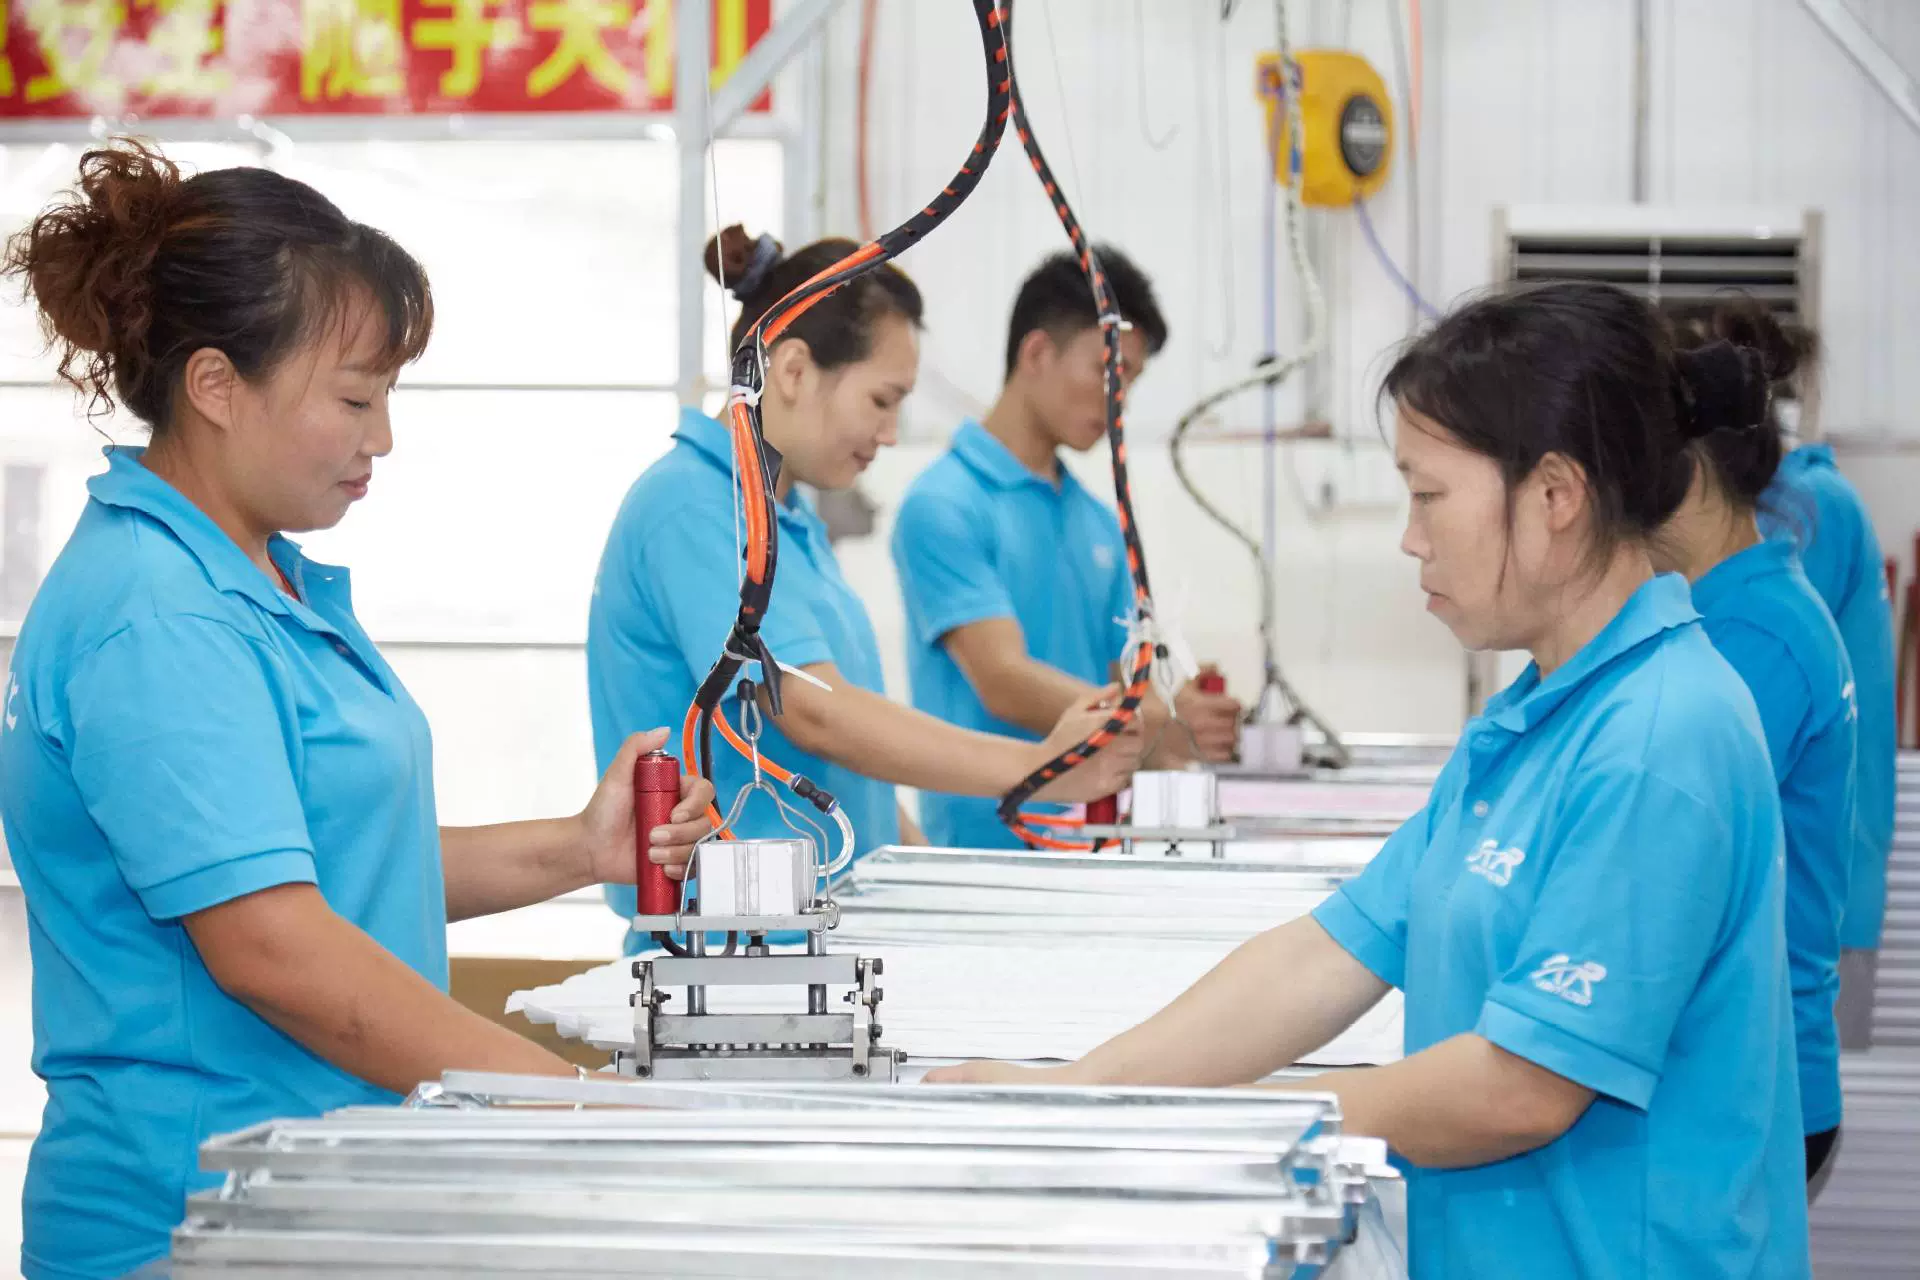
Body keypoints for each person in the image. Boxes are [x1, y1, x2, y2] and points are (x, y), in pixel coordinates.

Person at [930, 281, 1811, 1279]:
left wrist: (1203, 1119)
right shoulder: (1530, 720)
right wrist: (1082, 1089)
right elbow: (1327, 955)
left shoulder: (1662, 736)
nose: (1410, 536)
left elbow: (1522, 1088)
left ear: (1555, 495)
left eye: (1429, 495)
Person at [0, 142, 717, 1280]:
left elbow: (333, 864)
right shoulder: (159, 616)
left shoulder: (258, 581)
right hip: (195, 1218)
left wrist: (582, 850)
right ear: (216, 386)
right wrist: (574, 1101)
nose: (380, 438)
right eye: (353, 398)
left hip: (311, 1192)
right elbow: (275, 948)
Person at [589, 226, 1142, 951]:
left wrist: (929, 881)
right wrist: (1039, 768)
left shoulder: (786, 521)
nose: (889, 433)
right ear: (793, 370)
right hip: (731, 959)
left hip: (820, 944)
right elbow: (812, 712)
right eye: (883, 400)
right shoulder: (693, 507)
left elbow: (842, 771)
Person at [891, 246, 1242, 850]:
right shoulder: (944, 504)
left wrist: (1181, 705)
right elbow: (1003, 679)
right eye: (1109, 371)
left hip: (1094, 837)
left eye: (1130, 382)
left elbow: (1122, 674)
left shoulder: (1098, 521)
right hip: (984, 851)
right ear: (1036, 353)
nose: (1119, 399)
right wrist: (1156, 717)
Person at [1657, 303, 1855, 1187]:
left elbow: (1661, 845)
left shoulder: (1753, 635)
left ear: (1685, 470)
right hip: (1740, 1073)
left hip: (1755, 1087)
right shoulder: (1737, 606)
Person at [1726, 318, 1894, 1053]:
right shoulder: (1801, 497)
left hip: (1806, 896)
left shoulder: (1801, 506)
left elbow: (1748, 714)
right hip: (1793, 888)